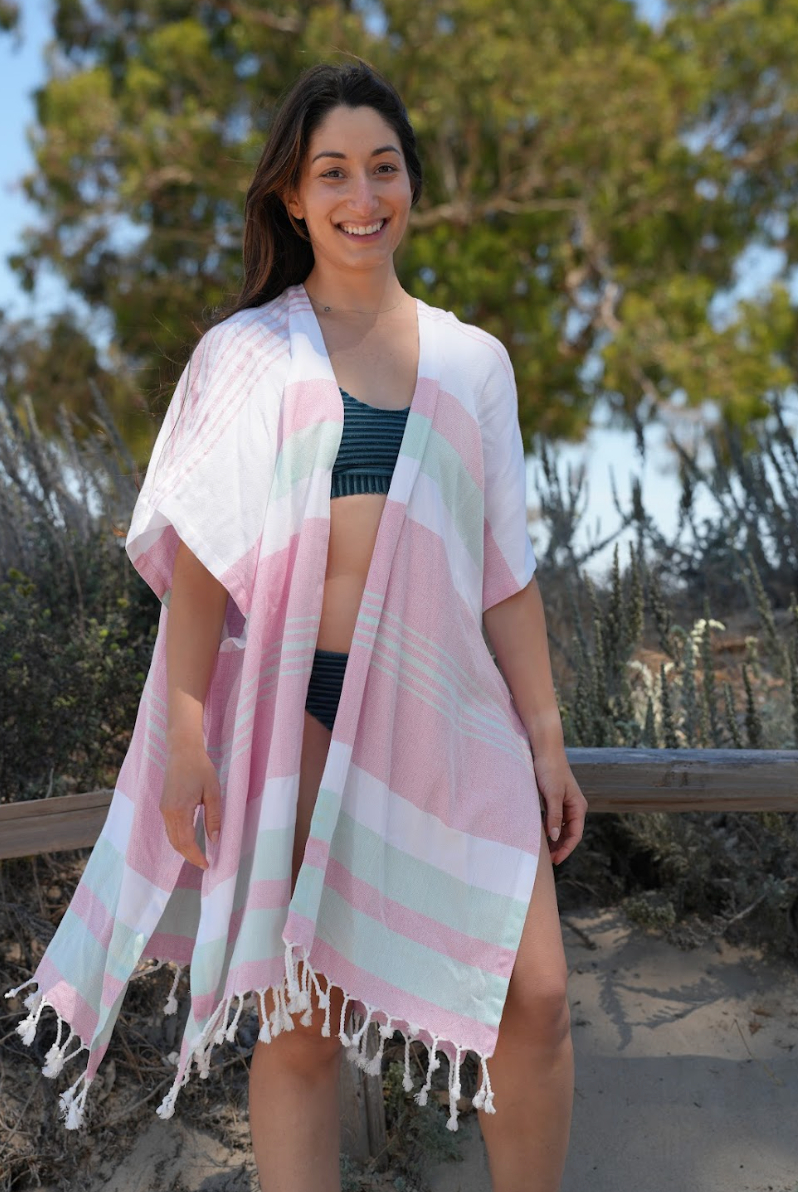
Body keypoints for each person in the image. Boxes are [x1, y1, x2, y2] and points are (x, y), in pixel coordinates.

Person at [7, 57, 587, 1192]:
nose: (362, 196)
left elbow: (506, 575)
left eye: (384, 168)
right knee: (303, 1018)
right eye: (334, 172)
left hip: (453, 715)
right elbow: (201, 571)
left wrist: (549, 736)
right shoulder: (247, 355)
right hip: (300, 710)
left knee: (543, 996)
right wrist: (186, 737)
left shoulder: (476, 366)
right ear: (292, 195)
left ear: (411, 184)